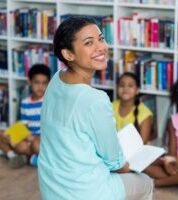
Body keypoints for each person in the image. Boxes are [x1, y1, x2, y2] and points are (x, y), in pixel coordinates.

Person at [38, 16, 153, 200]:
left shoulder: (56, 79)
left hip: (51, 188)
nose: (101, 47)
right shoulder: (96, 100)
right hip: (86, 192)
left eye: (101, 38)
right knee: (145, 182)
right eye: (89, 43)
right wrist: (128, 166)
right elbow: (114, 162)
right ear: (68, 54)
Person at [0, 64, 50, 168]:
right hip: (28, 136)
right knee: (4, 136)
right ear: (30, 82)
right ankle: (13, 156)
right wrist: (25, 136)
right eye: (37, 82)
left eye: (44, 83)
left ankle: (29, 159)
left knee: (37, 144)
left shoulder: (48, 101)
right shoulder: (25, 103)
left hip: (42, 139)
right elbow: (23, 124)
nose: (40, 87)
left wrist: (34, 139)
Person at [113, 72, 153, 144]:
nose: (125, 88)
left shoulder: (145, 114)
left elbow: (142, 144)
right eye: (122, 85)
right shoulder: (110, 106)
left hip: (135, 153)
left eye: (130, 86)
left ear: (137, 90)